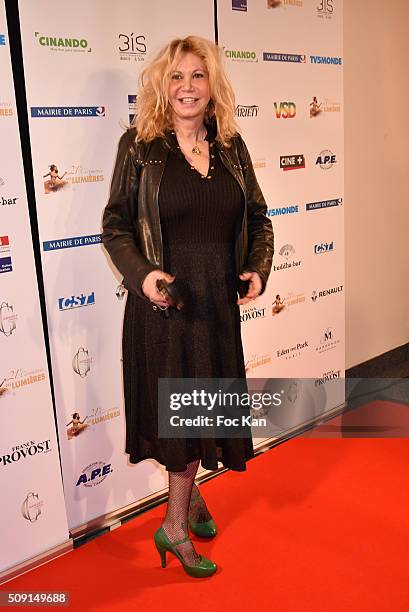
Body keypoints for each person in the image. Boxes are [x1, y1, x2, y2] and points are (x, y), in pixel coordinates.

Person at [102, 35, 274, 578]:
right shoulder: (140, 145)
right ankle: (173, 528)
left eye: (198, 75)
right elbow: (115, 227)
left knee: (201, 412)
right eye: (176, 77)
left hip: (216, 308)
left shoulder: (232, 148)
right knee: (183, 420)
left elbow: (259, 220)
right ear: (161, 85)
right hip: (167, 305)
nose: (187, 87)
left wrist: (256, 267)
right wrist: (144, 274)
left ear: (213, 85)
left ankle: (190, 499)